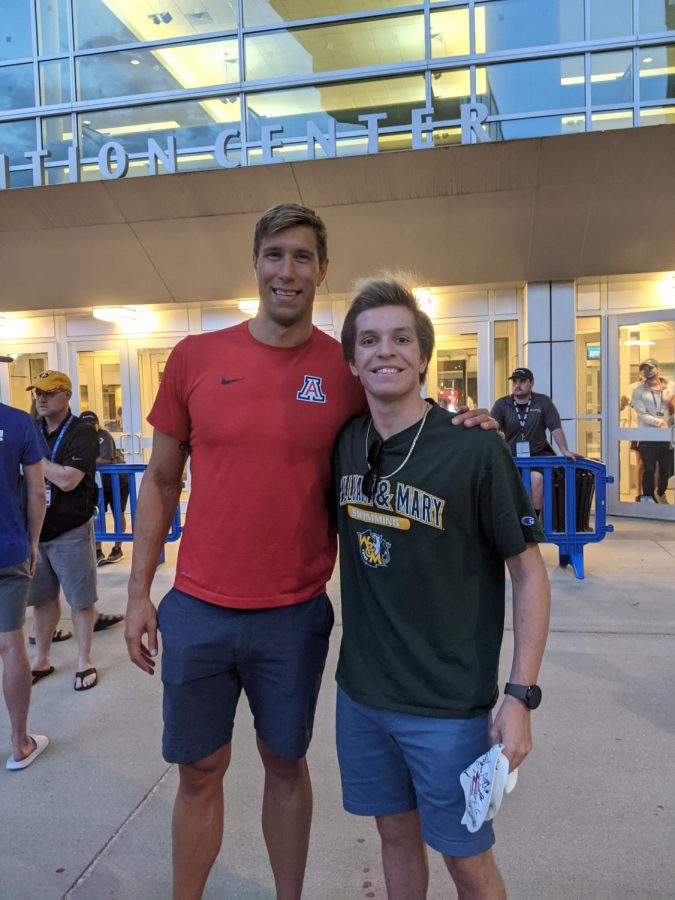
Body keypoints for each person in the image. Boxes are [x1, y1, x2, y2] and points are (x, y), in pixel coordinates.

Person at [125, 203, 498, 900]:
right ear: (256, 263)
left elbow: (404, 408)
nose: (286, 271)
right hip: (199, 608)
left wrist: (467, 425)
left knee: (284, 764)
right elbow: (160, 478)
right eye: (274, 254)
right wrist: (139, 589)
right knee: (198, 770)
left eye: (302, 257)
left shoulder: (343, 364)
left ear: (321, 270)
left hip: (292, 614)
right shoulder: (195, 358)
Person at [335, 279, 550, 899]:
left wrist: (520, 696)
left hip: (449, 709)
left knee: (468, 863)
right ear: (351, 360)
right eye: (369, 340)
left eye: (402, 337)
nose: (386, 351)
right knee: (395, 839)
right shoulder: (347, 444)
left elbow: (529, 572)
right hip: (363, 697)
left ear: (423, 356)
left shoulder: (475, 450)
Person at [26, 370, 101, 691]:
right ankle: (41, 658)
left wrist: (33, 457)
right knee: (41, 601)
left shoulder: (82, 432)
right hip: (35, 530)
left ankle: (84, 660)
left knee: (80, 600)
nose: (40, 399)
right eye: (36, 393)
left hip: (70, 529)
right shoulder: (31, 429)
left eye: (48, 393)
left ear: (66, 395)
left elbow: (67, 480)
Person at [0, 400, 50, 770]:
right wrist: (33, 543)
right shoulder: (18, 422)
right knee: (11, 643)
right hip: (8, 549)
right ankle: (20, 743)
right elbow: (36, 491)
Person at [491, 367, 580, 515]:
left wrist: (564, 450)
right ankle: (514, 520)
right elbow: (494, 430)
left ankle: (534, 519)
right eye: (514, 381)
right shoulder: (502, 404)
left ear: (531, 383)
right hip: (511, 454)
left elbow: (555, 427)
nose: (517, 385)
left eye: (522, 381)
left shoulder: (543, 402)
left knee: (536, 478)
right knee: (507, 484)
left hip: (538, 452)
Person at [79, 410, 129, 564]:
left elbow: (105, 460)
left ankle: (117, 548)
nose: (88, 428)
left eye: (91, 425)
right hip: (97, 484)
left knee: (117, 513)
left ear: (97, 425)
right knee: (97, 515)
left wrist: (81, 461)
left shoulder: (103, 435)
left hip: (117, 482)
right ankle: (98, 550)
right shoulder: (79, 437)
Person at [630, 359, 675, 503]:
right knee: (648, 468)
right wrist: (659, 422)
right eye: (644, 369)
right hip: (647, 435)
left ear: (657, 369)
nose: (647, 371)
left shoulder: (672, 387)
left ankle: (660, 491)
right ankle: (647, 497)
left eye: (650, 368)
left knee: (667, 469)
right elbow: (641, 413)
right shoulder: (638, 391)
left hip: (667, 435)